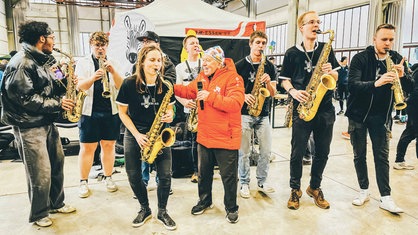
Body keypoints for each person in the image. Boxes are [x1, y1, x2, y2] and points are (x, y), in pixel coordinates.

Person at [0, 21, 76, 227]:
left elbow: (53, 82)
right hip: (28, 125)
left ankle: (56, 203)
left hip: (46, 120)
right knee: (39, 171)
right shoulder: (21, 63)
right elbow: (25, 99)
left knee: (57, 163)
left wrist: (67, 80)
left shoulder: (45, 59)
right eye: (52, 37)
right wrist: (59, 103)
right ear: (42, 38)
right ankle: (39, 213)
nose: (54, 41)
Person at [346, 24, 413, 213]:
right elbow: (352, 85)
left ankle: (386, 197)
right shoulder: (360, 58)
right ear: (374, 39)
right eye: (384, 39)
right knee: (359, 155)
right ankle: (364, 190)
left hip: (381, 116)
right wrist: (376, 83)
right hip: (358, 114)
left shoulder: (397, 59)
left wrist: (403, 76)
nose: (388, 43)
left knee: (381, 156)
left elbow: (409, 87)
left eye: (391, 39)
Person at [174, 46, 244, 223]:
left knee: (228, 177)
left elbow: (235, 103)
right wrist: (170, 87)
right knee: (203, 174)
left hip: (226, 137)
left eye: (208, 60)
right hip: (204, 136)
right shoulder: (202, 78)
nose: (204, 63)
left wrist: (210, 96)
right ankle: (205, 201)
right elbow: (189, 91)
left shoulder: (234, 78)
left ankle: (231, 208)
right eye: (203, 60)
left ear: (219, 62)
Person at [280, 11, 339, 210]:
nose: (316, 25)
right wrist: (294, 92)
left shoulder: (326, 48)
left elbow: (336, 78)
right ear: (301, 27)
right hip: (302, 107)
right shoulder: (291, 53)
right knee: (297, 153)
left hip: (325, 108)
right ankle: (295, 189)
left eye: (318, 22)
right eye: (311, 22)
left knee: (323, 152)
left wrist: (331, 73)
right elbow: (284, 80)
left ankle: (315, 187)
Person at [116, 44, 177, 230]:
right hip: (135, 133)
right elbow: (122, 113)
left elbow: (170, 110)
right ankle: (145, 208)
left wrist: (170, 115)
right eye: (152, 60)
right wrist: (137, 135)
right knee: (133, 175)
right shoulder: (128, 83)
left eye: (159, 60)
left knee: (165, 175)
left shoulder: (166, 85)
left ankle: (163, 211)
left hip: (159, 134)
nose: (156, 64)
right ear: (142, 62)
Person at [75, 31, 123, 198]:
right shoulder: (83, 63)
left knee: (109, 146)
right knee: (87, 148)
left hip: (111, 111)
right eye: (97, 45)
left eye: (103, 46)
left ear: (107, 46)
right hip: (89, 112)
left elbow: (121, 86)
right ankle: (83, 181)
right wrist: (94, 77)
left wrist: (113, 72)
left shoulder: (114, 62)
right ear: (91, 45)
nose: (100, 49)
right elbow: (80, 86)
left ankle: (108, 177)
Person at [235, 30, 277, 198]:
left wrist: (267, 82)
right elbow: (233, 91)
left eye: (263, 43)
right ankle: (244, 182)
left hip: (263, 113)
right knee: (243, 152)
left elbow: (273, 93)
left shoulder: (270, 66)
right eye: (258, 42)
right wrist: (243, 96)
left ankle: (262, 181)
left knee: (266, 151)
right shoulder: (239, 66)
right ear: (250, 44)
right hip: (244, 113)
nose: (261, 46)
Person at [136, 31, 176, 188]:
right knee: (145, 147)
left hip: (162, 111)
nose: (144, 44)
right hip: (144, 109)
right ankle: (143, 181)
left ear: (157, 43)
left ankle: (163, 182)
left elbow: (170, 85)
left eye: (148, 41)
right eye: (143, 42)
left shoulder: (168, 64)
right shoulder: (139, 62)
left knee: (161, 148)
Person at [175, 33, 202, 183]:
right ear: (186, 47)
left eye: (197, 42)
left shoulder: (206, 63)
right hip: (190, 109)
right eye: (192, 43)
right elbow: (177, 90)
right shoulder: (180, 67)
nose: (196, 45)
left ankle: (206, 169)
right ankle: (196, 171)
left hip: (207, 108)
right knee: (194, 142)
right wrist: (184, 102)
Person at [394, 68, 418, 170]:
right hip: (415, 104)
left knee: (411, 132)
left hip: (413, 103)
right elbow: (412, 88)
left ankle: (399, 160)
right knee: (411, 132)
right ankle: (399, 160)